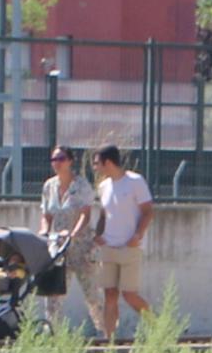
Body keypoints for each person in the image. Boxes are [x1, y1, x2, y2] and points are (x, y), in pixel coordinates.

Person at [88, 143, 156, 339]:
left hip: (129, 248)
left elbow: (148, 211)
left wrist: (137, 236)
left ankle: (160, 327)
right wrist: (99, 235)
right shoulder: (103, 186)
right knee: (109, 295)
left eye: (97, 163)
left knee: (129, 295)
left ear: (108, 162)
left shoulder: (135, 181)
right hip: (108, 248)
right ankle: (109, 340)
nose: (95, 167)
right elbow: (103, 214)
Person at [34, 145, 98, 332]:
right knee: (53, 294)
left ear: (70, 161)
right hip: (58, 248)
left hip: (81, 248)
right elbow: (46, 213)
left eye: (61, 159)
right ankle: (53, 332)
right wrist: (45, 230)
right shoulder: (49, 186)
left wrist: (73, 234)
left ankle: (105, 332)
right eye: (54, 160)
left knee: (91, 293)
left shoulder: (81, 185)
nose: (57, 163)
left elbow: (85, 214)